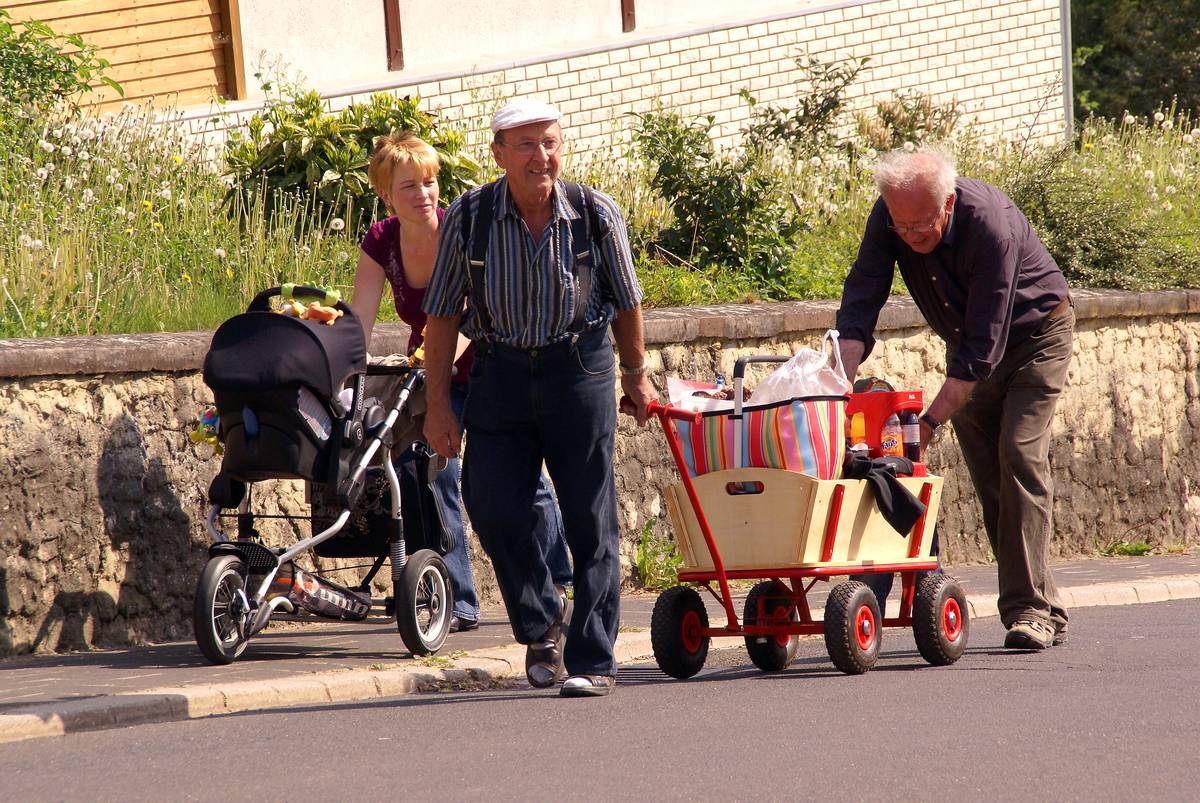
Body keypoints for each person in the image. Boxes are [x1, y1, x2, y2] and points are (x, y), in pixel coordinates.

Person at [422, 99, 656, 697]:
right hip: (499, 369)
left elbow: (627, 302)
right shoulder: (470, 218)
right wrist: (439, 404)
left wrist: (635, 373)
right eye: (524, 145)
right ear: (498, 153)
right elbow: (443, 315)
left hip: (578, 367)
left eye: (548, 142)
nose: (539, 156)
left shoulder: (594, 213)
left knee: (589, 517)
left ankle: (593, 660)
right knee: (493, 501)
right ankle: (540, 620)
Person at [835, 145, 1073, 651]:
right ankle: (1043, 607)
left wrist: (926, 424)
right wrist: (836, 382)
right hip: (969, 346)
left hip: (1035, 338)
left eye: (921, 225)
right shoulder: (894, 214)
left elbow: (984, 348)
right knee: (990, 479)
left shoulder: (990, 224)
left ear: (947, 204)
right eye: (902, 227)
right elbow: (862, 295)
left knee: (1019, 453)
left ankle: (1029, 612)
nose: (911, 237)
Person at [350, 131, 571, 634]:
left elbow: (491, 306)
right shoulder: (381, 241)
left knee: (523, 479)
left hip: (490, 362)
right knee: (435, 475)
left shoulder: (464, 226)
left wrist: (450, 356)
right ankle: (461, 600)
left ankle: (559, 577)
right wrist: (354, 370)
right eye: (409, 186)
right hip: (431, 370)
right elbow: (358, 321)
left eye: (430, 183)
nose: (424, 194)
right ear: (387, 195)